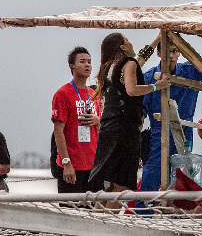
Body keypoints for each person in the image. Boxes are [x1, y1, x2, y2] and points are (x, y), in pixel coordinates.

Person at [88, 33, 166, 207]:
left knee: (111, 184)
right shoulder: (129, 64)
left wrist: (158, 39)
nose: (131, 43)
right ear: (123, 47)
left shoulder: (112, 67)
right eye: (128, 40)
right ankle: (109, 226)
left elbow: (141, 57)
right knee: (122, 184)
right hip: (124, 128)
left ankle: (98, 221)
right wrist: (155, 86)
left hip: (109, 127)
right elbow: (131, 90)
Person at [140, 42, 202, 193]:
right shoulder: (149, 77)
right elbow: (140, 112)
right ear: (159, 53)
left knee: (184, 182)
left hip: (184, 134)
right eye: (168, 51)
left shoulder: (190, 71)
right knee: (151, 180)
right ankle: (144, 214)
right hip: (158, 135)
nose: (171, 55)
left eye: (175, 51)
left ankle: (180, 216)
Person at [52, 46, 102, 193]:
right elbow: (58, 131)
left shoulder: (94, 94)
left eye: (89, 62)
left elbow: (100, 130)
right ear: (72, 66)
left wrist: (98, 120)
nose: (87, 65)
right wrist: (66, 163)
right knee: (70, 212)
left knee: (91, 212)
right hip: (71, 165)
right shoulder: (62, 94)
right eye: (82, 61)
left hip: (93, 164)